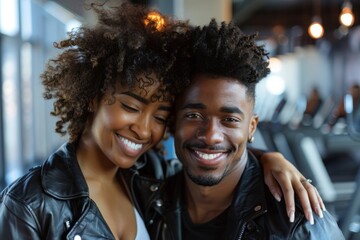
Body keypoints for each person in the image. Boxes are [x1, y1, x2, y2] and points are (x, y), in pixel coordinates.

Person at [0, 2, 323, 239]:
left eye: (160, 116)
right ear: (93, 97)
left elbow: (211, 152)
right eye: (130, 105)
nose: (142, 129)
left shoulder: (147, 179)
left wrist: (270, 158)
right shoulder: (30, 204)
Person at [141, 19, 345, 239]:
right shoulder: (151, 199)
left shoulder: (299, 223)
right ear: (173, 122)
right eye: (193, 115)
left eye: (229, 119)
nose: (210, 136)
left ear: (251, 127)